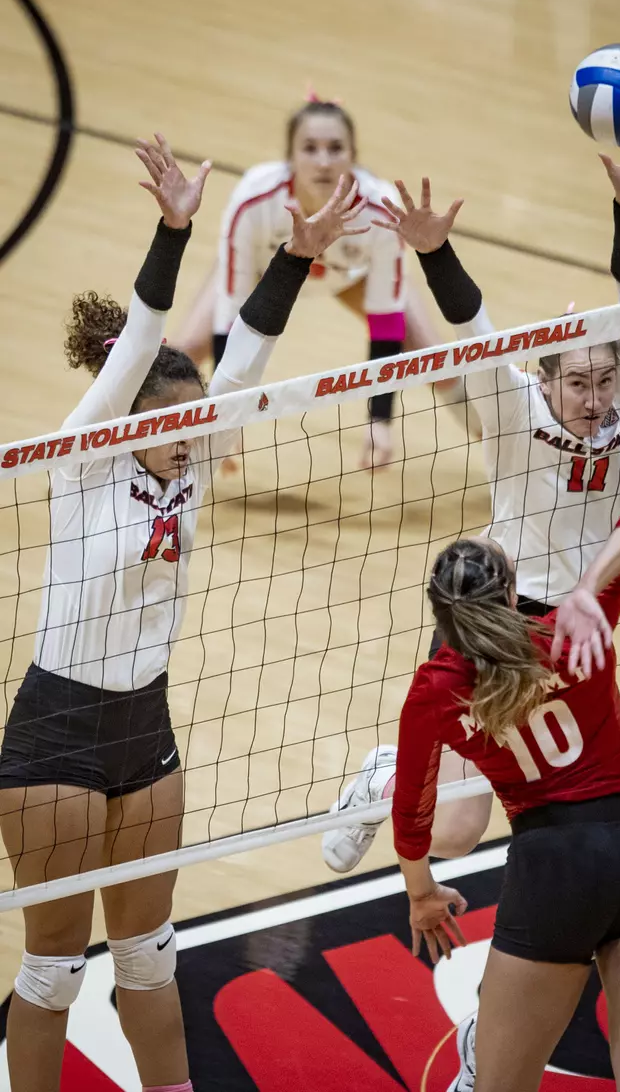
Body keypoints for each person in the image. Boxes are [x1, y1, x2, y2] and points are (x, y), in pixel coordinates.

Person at [0, 133, 368, 1092]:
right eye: (169, 424)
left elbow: (247, 354)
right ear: (129, 421)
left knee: (148, 958)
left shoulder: (196, 459)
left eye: (196, 423)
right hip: (58, 737)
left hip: (145, 727)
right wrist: (175, 228)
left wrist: (294, 254)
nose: (189, 438)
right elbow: (137, 340)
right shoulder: (83, 461)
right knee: (53, 967)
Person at [321, 130, 620, 875]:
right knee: (455, 831)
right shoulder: (513, 404)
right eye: (576, 384)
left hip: (578, 619)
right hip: (493, 615)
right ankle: (382, 775)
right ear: (545, 380)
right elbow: (471, 325)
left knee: (564, 793)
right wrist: (432, 252)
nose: (593, 399)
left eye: (603, 382)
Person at [393, 497, 620, 1092]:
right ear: (511, 596)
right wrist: (587, 586)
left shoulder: (436, 687)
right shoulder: (574, 629)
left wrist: (422, 894)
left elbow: (412, 813)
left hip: (555, 874)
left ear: (440, 620)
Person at [173, 96, 478, 470]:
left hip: (350, 278)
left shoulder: (381, 209)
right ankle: (130, 445)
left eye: (335, 149)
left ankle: (503, 435)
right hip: (264, 273)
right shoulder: (252, 201)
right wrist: (227, 418)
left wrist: (379, 420)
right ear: (290, 157)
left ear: (353, 155)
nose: (323, 161)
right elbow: (229, 317)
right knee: (184, 351)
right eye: (310, 148)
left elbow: (386, 325)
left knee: (435, 359)